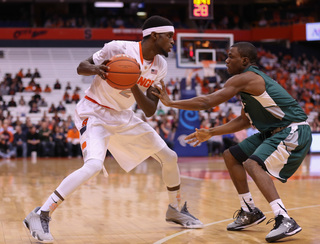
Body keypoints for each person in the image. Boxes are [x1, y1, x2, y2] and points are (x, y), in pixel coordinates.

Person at [23, 15, 203, 243]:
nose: (172, 41)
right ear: (154, 36)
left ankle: (175, 209)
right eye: (169, 36)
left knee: (169, 156)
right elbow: (81, 67)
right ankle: (41, 213)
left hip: (123, 116)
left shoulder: (161, 66)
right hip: (94, 112)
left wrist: (133, 81)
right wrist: (97, 69)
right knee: (94, 165)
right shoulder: (118, 48)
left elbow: (149, 110)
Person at [152, 42, 312, 243]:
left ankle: (284, 218)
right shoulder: (247, 84)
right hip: (272, 131)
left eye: (230, 56)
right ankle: (250, 210)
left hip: (293, 129)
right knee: (231, 155)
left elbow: (207, 102)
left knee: (252, 163)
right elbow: (244, 120)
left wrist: (171, 103)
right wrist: (211, 131)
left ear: (244, 60)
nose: (226, 60)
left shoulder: (246, 78)